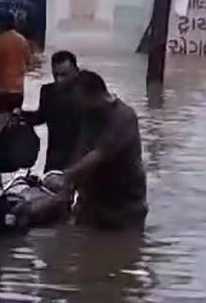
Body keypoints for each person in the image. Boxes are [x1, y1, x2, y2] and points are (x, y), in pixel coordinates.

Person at [61, 70, 148, 232]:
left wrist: (67, 176)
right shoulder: (89, 115)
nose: (76, 104)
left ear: (92, 96)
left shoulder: (123, 117)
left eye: (78, 99)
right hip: (92, 203)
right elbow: (81, 150)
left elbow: (99, 155)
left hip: (126, 206)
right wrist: (69, 189)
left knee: (124, 252)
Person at [19, 51, 82, 172]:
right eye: (55, 75)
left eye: (64, 75)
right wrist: (20, 116)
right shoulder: (47, 91)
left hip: (81, 161)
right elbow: (40, 117)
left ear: (76, 71)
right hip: (54, 160)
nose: (59, 80)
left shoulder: (88, 93)